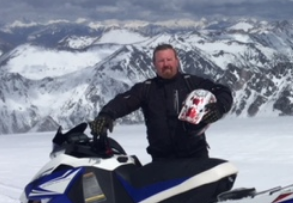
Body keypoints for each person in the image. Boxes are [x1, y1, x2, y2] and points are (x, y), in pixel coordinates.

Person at [89, 44, 233, 160]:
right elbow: (123, 101)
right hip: (162, 161)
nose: (166, 64)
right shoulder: (146, 89)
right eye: (161, 61)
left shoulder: (192, 83)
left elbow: (222, 91)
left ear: (177, 61)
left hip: (195, 157)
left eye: (169, 59)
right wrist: (106, 115)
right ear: (154, 64)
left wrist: (219, 107)